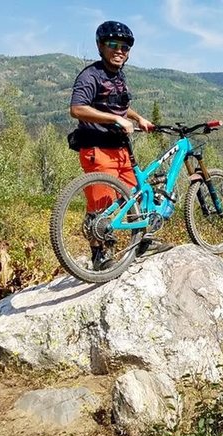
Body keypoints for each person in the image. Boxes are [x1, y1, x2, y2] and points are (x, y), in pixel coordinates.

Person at [69, 20, 171, 270]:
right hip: (97, 148)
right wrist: (116, 119)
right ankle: (100, 255)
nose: (119, 50)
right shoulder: (90, 75)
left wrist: (137, 118)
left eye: (124, 47)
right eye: (113, 45)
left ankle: (142, 242)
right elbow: (77, 108)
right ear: (100, 46)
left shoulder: (118, 76)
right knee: (101, 206)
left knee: (134, 197)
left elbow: (118, 105)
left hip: (121, 149)